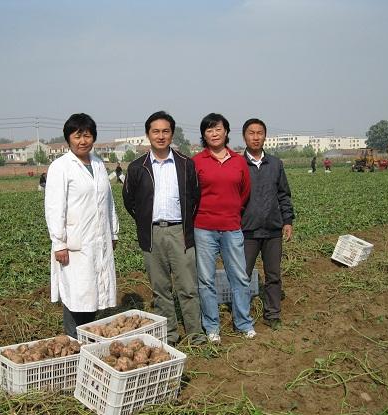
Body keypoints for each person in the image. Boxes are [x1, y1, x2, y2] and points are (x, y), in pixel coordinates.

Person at [123, 111, 205, 346]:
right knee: (160, 289)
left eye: (165, 131)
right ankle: (169, 335)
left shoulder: (185, 164)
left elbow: (195, 198)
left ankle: (195, 333)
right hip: (152, 233)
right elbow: (129, 200)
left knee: (188, 286)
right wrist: (145, 221)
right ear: (148, 134)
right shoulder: (138, 167)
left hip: (180, 232)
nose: (161, 136)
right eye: (156, 131)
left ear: (172, 134)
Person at [44, 113, 119, 338]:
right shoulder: (61, 167)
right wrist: (59, 243)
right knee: (77, 293)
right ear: (68, 139)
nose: (82, 141)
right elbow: (54, 207)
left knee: (95, 292)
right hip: (75, 241)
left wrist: (113, 232)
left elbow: (108, 200)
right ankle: (73, 341)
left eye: (87, 135)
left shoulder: (97, 163)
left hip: (99, 238)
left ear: (93, 138)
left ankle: (89, 338)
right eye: (77, 136)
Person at [192, 113, 255, 343]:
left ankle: (244, 323)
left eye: (218, 129)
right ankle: (211, 327)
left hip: (231, 226)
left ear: (226, 132)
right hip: (204, 227)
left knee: (239, 276)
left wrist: (232, 211)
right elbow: (192, 194)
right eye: (209, 130)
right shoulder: (197, 162)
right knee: (206, 279)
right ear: (204, 135)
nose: (214, 133)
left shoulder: (238, 161)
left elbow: (244, 192)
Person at [241, 119, 294, 330]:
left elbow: (284, 194)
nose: (255, 137)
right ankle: (242, 316)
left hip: (273, 229)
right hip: (247, 231)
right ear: (245, 136)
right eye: (251, 133)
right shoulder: (238, 164)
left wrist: (287, 221)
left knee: (273, 274)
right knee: (242, 275)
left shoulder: (275, 164)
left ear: (265, 136)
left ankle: (272, 314)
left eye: (259, 133)